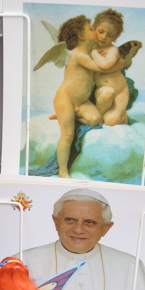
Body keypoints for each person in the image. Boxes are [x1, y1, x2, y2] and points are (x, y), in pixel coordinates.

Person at [43, 15, 125, 178]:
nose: (95, 31)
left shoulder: (88, 52)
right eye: (91, 29)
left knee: (95, 119)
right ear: (81, 35)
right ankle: (63, 171)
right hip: (66, 99)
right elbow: (101, 68)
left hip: (81, 102)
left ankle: (70, 116)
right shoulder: (78, 54)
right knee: (67, 136)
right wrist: (120, 64)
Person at [90, 8, 131, 126]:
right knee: (107, 93)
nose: (104, 37)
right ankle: (99, 117)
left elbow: (105, 65)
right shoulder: (88, 48)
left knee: (111, 121)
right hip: (103, 91)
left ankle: (121, 115)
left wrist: (94, 52)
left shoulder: (112, 50)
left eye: (110, 35)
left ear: (115, 38)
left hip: (120, 92)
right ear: (93, 29)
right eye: (101, 31)